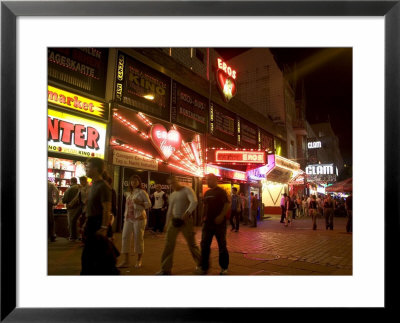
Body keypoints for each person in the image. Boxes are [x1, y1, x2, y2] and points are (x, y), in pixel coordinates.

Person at [80, 157, 119, 275]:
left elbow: (107, 208)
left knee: (93, 258)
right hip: (91, 223)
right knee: (93, 258)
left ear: (96, 169)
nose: (86, 169)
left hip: (98, 225)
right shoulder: (93, 185)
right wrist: (86, 221)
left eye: (88, 167)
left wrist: (104, 228)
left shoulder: (104, 186)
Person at [156, 176, 200, 275]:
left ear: (177, 181)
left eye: (174, 182)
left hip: (186, 221)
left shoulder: (187, 190)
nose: (173, 185)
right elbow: (170, 210)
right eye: (171, 184)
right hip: (174, 220)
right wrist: (166, 224)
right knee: (168, 244)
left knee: (192, 244)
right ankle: (165, 269)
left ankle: (201, 265)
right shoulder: (172, 195)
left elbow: (194, 201)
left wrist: (187, 213)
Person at [196, 174, 230, 275]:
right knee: (204, 245)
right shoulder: (207, 193)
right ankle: (204, 267)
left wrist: (221, 216)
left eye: (209, 180)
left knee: (222, 246)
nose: (207, 182)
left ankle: (224, 268)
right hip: (208, 224)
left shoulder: (221, 192)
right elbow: (204, 206)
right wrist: (202, 217)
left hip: (220, 224)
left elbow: (227, 204)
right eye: (207, 180)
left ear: (215, 180)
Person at [118, 175, 151, 269]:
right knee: (125, 237)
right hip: (128, 219)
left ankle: (139, 260)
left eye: (136, 181)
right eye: (132, 181)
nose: (134, 183)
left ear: (139, 182)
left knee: (138, 239)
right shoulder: (129, 193)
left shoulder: (142, 192)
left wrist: (140, 203)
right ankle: (126, 261)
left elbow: (149, 204)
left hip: (139, 218)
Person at [62, 177, 82, 242]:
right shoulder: (80, 187)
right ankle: (78, 236)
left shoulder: (69, 189)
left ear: (71, 181)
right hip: (80, 208)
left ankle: (72, 236)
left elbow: (64, 199)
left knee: (71, 222)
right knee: (78, 222)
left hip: (71, 208)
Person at [103, 173, 117, 240]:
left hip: (109, 212)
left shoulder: (110, 190)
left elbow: (113, 202)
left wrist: (113, 212)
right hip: (109, 212)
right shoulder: (109, 190)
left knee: (108, 226)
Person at [78, 176, 90, 241]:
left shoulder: (88, 187)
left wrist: (86, 202)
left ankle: (84, 237)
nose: (80, 183)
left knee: (84, 221)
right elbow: (78, 196)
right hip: (82, 206)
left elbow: (88, 197)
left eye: (81, 181)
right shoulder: (81, 188)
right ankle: (82, 236)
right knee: (81, 221)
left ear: (85, 181)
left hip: (86, 207)